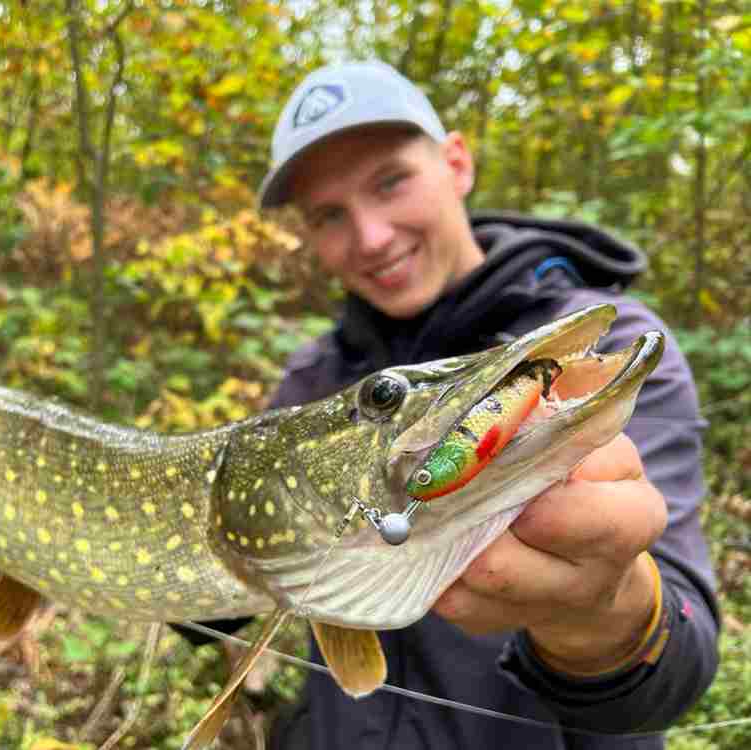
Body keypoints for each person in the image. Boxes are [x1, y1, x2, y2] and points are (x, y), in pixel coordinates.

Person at [183, 60, 719, 749]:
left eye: (390, 181)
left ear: (457, 162)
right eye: (329, 215)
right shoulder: (314, 379)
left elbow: (683, 661)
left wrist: (607, 612)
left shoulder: (595, 349)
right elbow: (219, 601)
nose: (372, 236)